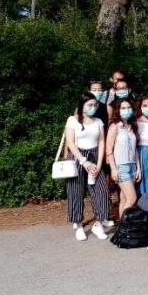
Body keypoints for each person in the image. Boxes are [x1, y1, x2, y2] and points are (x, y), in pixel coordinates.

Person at [64, 93, 111, 241]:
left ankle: (99, 223)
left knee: (101, 191)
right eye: (90, 105)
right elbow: (70, 142)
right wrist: (84, 161)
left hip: (95, 156)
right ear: (82, 105)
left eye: (95, 105)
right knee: (76, 191)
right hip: (77, 157)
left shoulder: (98, 121)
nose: (93, 107)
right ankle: (78, 225)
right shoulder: (72, 120)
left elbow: (102, 142)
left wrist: (99, 163)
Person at [106, 99, 141, 219]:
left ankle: (122, 225)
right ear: (118, 110)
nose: (127, 110)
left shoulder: (132, 127)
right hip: (121, 167)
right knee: (132, 198)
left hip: (132, 166)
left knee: (124, 198)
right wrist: (113, 169)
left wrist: (138, 168)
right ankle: (124, 225)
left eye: (129, 107)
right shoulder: (114, 127)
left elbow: (135, 149)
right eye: (123, 108)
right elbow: (109, 150)